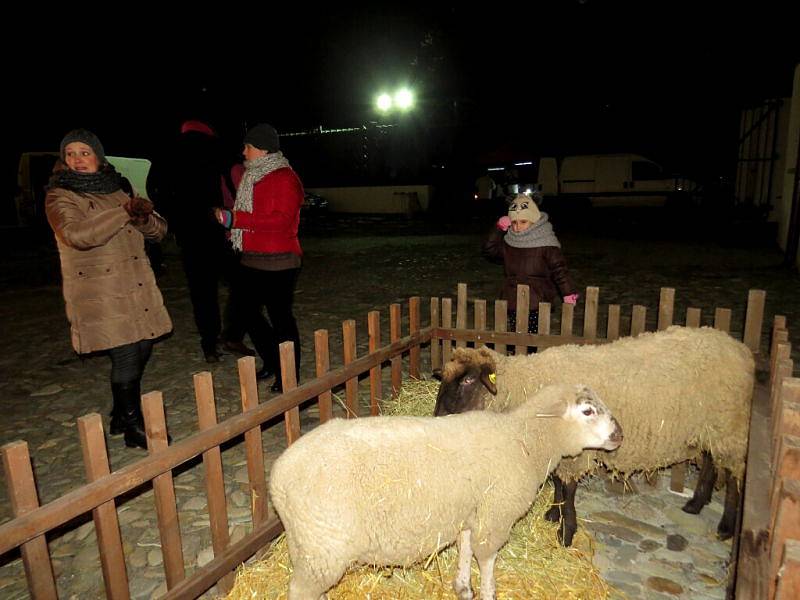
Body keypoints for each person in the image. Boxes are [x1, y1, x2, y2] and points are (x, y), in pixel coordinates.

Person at [45, 129, 172, 449]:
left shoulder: (118, 188)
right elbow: (77, 235)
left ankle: (118, 413)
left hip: (133, 284)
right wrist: (124, 212)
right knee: (128, 353)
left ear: (99, 157)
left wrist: (143, 217)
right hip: (99, 291)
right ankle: (132, 425)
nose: (77, 159)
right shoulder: (60, 195)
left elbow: (158, 232)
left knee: (144, 346)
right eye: (70, 153)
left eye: (84, 152)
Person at [147, 120, 253, 363]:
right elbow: (235, 180)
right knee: (242, 284)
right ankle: (233, 334)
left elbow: (155, 189)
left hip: (190, 233)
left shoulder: (168, 152)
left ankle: (210, 343)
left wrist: (174, 217)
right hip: (220, 228)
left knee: (202, 291)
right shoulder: (216, 148)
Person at [215, 123, 304, 393]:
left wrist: (237, 219)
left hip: (280, 261)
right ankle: (272, 361)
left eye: (248, 146)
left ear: (263, 149)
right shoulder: (251, 176)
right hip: (251, 259)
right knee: (247, 315)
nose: (244, 151)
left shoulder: (285, 178)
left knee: (281, 319)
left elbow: (281, 221)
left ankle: (289, 374)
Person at [483, 193, 578, 335]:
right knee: (517, 335)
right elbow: (490, 250)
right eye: (514, 222)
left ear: (534, 220)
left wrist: (568, 292)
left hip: (537, 300)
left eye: (523, 222)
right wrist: (498, 229)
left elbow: (559, 270)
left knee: (533, 338)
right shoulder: (509, 242)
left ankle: (532, 355)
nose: (517, 227)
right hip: (513, 299)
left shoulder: (546, 243)